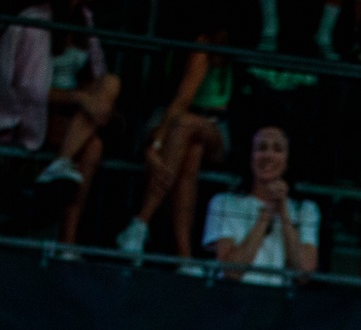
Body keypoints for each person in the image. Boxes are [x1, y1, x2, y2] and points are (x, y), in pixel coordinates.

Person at [0, 1, 115, 244]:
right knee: (94, 146)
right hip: (41, 110)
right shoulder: (33, 20)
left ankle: (62, 161)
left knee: (112, 84)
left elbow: (98, 73)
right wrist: (79, 98)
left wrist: (91, 100)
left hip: (77, 113)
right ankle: (67, 240)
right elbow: (27, 88)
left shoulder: (84, 19)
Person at [115, 17, 231, 257]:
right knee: (192, 152)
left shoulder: (215, 45)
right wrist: (155, 143)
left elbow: (184, 101)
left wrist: (157, 146)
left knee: (184, 125)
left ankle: (141, 221)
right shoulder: (185, 42)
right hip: (171, 119)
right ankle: (184, 256)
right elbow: (177, 103)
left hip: (210, 123)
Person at [203, 125, 319, 283]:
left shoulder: (305, 209)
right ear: (250, 156)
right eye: (261, 148)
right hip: (233, 294)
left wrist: (283, 210)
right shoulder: (223, 202)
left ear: (288, 160)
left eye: (277, 149)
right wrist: (267, 212)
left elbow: (303, 273)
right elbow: (230, 271)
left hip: (278, 296)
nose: (268, 155)